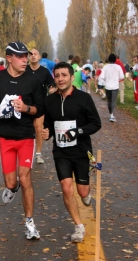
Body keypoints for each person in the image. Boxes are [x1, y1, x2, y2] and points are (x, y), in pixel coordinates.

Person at [0, 41, 44, 240]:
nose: (25, 60)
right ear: (9, 58)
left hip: (26, 137)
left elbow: (40, 109)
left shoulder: (32, 80)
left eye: (26, 56)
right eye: (20, 56)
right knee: (11, 182)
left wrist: (26, 109)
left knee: (25, 179)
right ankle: (11, 188)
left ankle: (30, 222)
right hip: (5, 138)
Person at [41, 62, 101, 243]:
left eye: (64, 75)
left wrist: (79, 131)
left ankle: (86, 194)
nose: (60, 79)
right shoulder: (49, 101)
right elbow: (49, 124)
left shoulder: (83, 98)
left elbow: (96, 123)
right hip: (61, 152)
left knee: (82, 191)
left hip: (82, 151)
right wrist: (47, 133)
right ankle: (78, 227)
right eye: (57, 75)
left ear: (71, 76)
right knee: (66, 188)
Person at [26, 48, 56, 164]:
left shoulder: (44, 71)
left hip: (40, 104)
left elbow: (51, 83)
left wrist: (52, 88)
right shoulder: (24, 70)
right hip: (26, 104)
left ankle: (38, 154)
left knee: (38, 128)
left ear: (39, 57)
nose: (33, 56)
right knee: (28, 129)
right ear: (28, 57)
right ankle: (27, 153)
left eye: (35, 54)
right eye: (31, 54)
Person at [98, 54, 125, 122]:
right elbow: (122, 76)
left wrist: (105, 82)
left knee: (109, 101)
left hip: (107, 86)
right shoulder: (118, 67)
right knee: (113, 100)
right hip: (115, 86)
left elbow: (101, 77)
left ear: (109, 59)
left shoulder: (105, 67)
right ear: (115, 59)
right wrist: (117, 79)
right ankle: (112, 115)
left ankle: (110, 113)